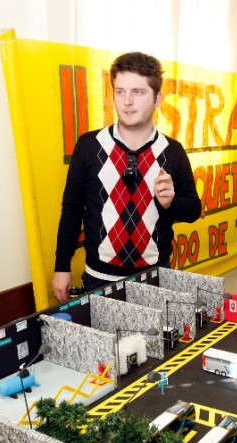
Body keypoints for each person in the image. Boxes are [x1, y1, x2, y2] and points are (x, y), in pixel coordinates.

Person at [52, 52, 201, 302]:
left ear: (157, 99)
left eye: (138, 92)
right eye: (120, 92)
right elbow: (72, 210)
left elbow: (193, 210)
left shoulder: (172, 151)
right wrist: (61, 266)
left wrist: (171, 203)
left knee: (156, 342)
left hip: (156, 278)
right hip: (98, 279)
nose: (127, 101)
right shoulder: (90, 145)